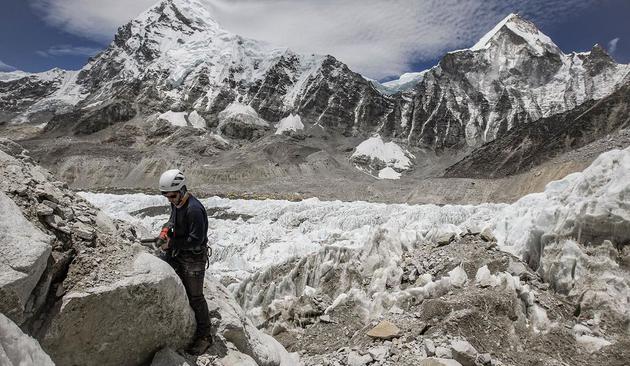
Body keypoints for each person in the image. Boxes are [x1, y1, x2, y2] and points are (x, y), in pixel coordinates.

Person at [157, 169, 212, 355]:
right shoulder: (178, 203)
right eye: (167, 196)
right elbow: (173, 219)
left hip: (194, 258)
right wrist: (166, 230)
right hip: (179, 251)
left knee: (196, 297)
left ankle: (205, 336)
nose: (170, 200)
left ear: (181, 190)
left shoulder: (194, 209)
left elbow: (196, 239)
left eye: (172, 196)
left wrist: (171, 244)